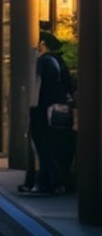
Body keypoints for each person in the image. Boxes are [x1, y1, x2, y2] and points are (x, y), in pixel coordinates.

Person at [20, 32, 75, 195]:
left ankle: (44, 182)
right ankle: (54, 182)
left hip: (42, 111)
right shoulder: (59, 61)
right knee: (55, 148)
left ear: (43, 44)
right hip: (58, 112)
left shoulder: (44, 61)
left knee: (42, 148)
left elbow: (38, 88)